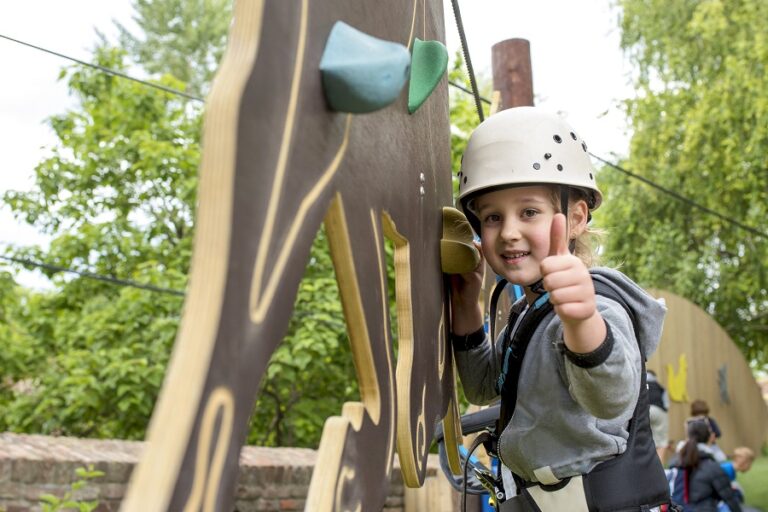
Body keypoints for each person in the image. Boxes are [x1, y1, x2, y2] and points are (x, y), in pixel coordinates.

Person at [449, 107, 670, 511]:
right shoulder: (529, 314)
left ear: (576, 217)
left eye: (528, 212)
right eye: (493, 217)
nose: (509, 231)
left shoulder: (596, 304)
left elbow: (612, 397)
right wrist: (466, 304)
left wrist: (583, 323)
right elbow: (484, 385)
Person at [668, 417, 742, 511]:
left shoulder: (674, 465)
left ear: (688, 436)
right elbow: (730, 500)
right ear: (709, 437)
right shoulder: (711, 467)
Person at [718, 447, 756, 512]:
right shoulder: (727, 470)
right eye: (750, 463)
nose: (750, 467)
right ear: (743, 461)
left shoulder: (731, 470)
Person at [648, 369, 671, 465]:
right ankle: (659, 467)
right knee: (661, 441)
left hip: (644, 411)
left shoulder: (640, 384)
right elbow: (666, 405)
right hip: (659, 411)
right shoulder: (660, 388)